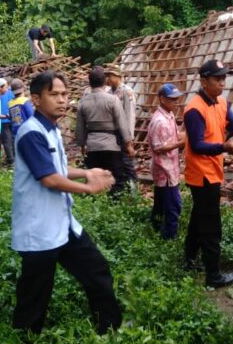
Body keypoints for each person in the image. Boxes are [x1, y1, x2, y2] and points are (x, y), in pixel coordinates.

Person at [11, 71, 122, 335]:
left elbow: (58, 168)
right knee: (35, 293)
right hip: (39, 230)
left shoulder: (52, 130)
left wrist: (86, 172)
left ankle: (110, 328)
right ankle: (25, 341)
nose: (62, 100)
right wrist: (88, 187)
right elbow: (49, 178)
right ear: (36, 99)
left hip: (63, 224)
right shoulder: (31, 132)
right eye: (54, 94)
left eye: (64, 94)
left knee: (97, 270)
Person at [183, 59, 233, 288]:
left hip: (213, 169)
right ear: (203, 81)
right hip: (201, 173)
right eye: (217, 78)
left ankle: (189, 258)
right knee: (211, 224)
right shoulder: (194, 110)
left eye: (224, 78)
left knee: (199, 216)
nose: (222, 83)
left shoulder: (221, 102)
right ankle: (213, 274)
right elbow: (198, 145)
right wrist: (224, 147)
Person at [75, 66, 135, 196]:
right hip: (111, 145)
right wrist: (128, 145)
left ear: (90, 83)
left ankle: (96, 204)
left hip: (92, 146)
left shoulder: (83, 102)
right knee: (116, 179)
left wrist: (82, 146)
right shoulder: (113, 99)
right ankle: (115, 203)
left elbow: (79, 129)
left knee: (93, 178)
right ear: (104, 82)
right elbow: (122, 123)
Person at [148, 83, 186, 240]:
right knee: (173, 206)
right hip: (165, 170)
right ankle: (169, 238)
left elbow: (175, 135)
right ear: (162, 99)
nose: (175, 103)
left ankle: (155, 231)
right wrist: (180, 144)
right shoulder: (160, 121)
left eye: (176, 99)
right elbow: (159, 147)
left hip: (169, 168)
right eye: (172, 100)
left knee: (161, 204)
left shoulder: (168, 116)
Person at [104, 64, 137, 184]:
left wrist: (129, 138)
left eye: (110, 76)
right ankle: (120, 189)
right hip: (112, 133)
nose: (107, 79)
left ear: (117, 76)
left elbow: (130, 115)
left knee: (127, 163)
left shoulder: (127, 92)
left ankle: (133, 191)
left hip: (123, 133)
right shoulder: (108, 92)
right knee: (115, 162)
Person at [0, 78, 16, 168]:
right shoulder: (13, 92)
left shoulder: (0, 93)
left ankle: (11, 160)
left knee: (7, 141)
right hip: (13, 119)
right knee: (13, 139)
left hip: (3, 119)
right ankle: (15, 159)